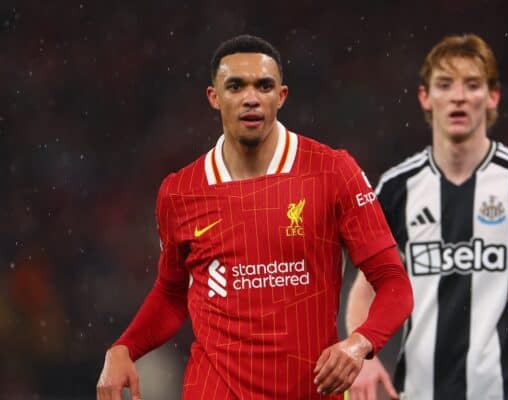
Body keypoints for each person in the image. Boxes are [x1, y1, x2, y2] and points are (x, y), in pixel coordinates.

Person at [96, 34, 413, 400]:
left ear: (281, 96)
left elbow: (394, 283)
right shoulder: (179, 191)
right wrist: (124, 347)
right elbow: (172, 293)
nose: (251, 97)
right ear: (214, 97)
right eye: (236, 86)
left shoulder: (332, 171)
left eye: (264, 86)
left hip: (309, 390)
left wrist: (360, 343)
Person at [346, 34, 508, 400]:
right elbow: (365, 285)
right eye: (445, 85)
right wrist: (363, 356)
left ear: (492, 96)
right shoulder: (396, 188)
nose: (459, 96)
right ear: (425, 97)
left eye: (472, 84)